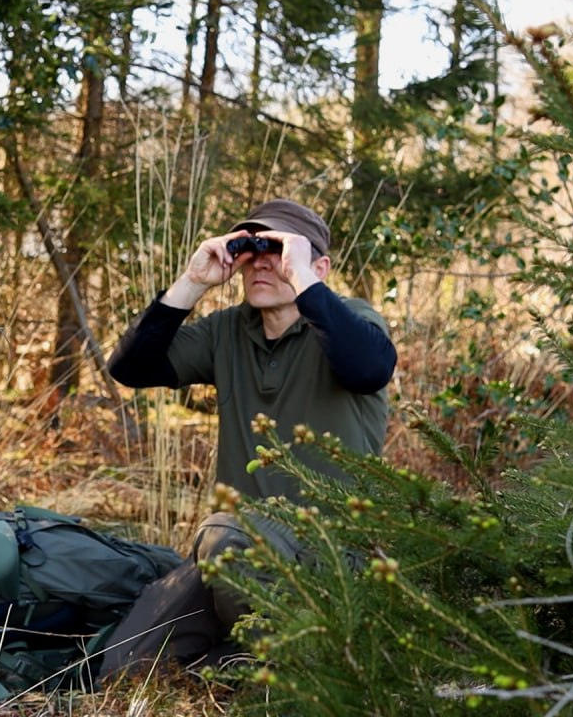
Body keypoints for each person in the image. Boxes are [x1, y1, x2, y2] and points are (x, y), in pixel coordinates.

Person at [97, 198, 397, 678]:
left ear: (316, 266)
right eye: (251, 249)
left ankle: (317, 668)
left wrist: (305, 282)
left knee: (225, 535)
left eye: (277, 250)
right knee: (125, 665)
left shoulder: (351, 319)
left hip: (331, 558)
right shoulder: (228, 331)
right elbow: (129, 368)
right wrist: (193, 281)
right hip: (238, 554)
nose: (261, 261)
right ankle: (259, 663)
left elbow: (369, 369)